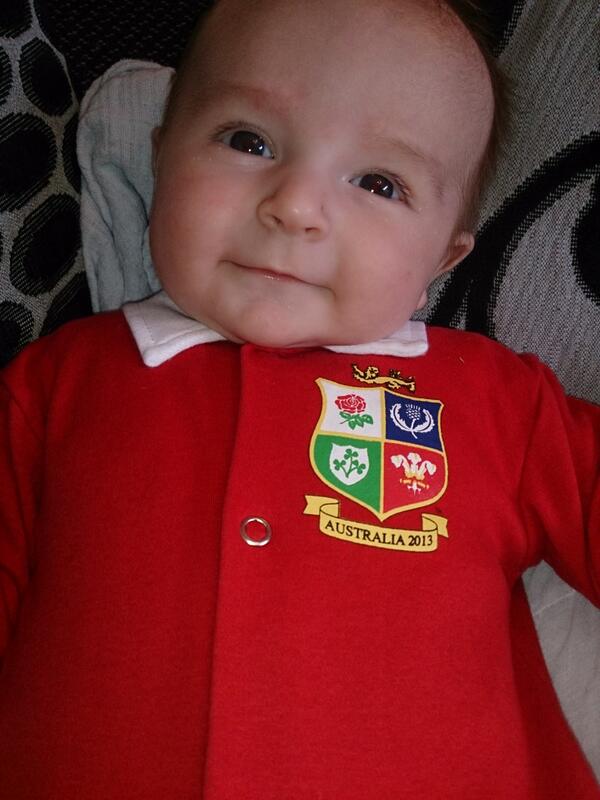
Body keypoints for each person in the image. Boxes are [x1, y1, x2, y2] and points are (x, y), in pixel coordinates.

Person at [0, 0, 598, 797]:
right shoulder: (57, 381)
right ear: (161, 158)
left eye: (379, 183)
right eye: (248, 141)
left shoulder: (496, 400)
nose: (296, 207)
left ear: (444, 255)